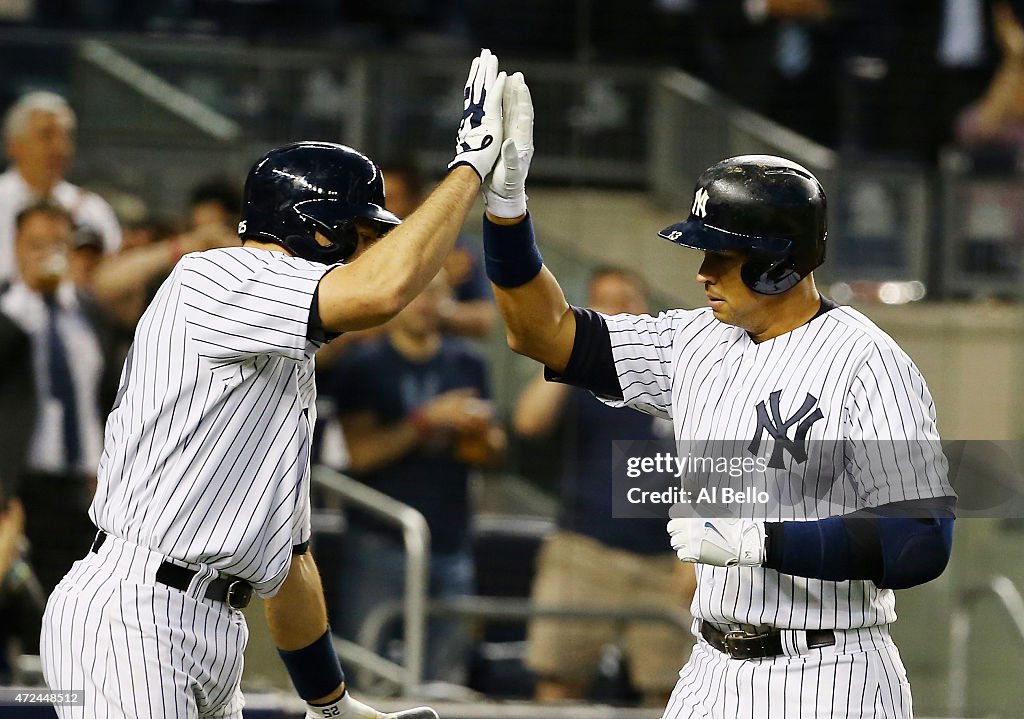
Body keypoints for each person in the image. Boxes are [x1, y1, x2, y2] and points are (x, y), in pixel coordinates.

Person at [39, 48, 510, 719]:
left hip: (212, 627)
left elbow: (289, 564)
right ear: (315, 228)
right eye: (362, 230)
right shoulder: (215, 279)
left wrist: (333, 705)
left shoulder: (284, 356)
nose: (373, 246)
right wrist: (469, 171)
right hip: (132, 613)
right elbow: (383, 290)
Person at [478, 72, 955, 718]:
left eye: (723, 255)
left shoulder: (868, 362)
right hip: (709, 670)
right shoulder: (694, 340)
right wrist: (507, 213)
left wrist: (767, 540)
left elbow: (921, 539)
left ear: (780, 260)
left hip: (828, 669)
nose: (702, 271)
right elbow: (544, 332)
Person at [514, 265, 695, 707]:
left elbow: (715, 462)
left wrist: (699, 553)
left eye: (625, 302)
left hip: (666, 562)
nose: (615, 312)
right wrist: (570, 350)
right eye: (603, 303)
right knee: (559, 681)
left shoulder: (677, 372)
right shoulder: (582, 378)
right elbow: (528, 422)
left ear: (645, 308)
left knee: (672, 694)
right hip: (585, 551)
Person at [327, 270, 505, 685]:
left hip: (452, 537)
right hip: (380, 537)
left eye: (437, 293)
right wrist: (426, 420)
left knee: (446, 675)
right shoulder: (365, 364)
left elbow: (494, 454)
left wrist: (484, 437)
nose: (426, 303)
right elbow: (360, 454)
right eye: (417, 293)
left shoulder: (468, 362)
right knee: (366, 671)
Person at [0, 201, 120, 596]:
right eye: (35, 245)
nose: (46, 255)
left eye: (56, 245)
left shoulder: (90, 315)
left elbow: (108, 398)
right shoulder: (7, 309)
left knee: (74, 614)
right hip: (17, 489)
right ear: (16, 246)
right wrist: (23, 301)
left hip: (82, 492)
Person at [0, 91, 121, 285]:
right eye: (46, 135)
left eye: (66, 136)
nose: (59, 147)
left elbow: (110, 282)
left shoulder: (92, 209)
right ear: (13, 145)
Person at [381, 162, 496, 339]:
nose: (381, 209)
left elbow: (483, 320)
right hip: (368, 359)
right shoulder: (360, 246)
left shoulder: (455, 249)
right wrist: (431, 280)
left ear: (417, 201)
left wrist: (440, 306)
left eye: (390, 199)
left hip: (443, 358)